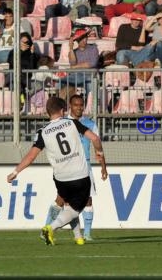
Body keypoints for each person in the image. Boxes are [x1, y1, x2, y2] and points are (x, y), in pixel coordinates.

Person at [7, 97, 108, 246]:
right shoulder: (72, 123)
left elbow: (31, 156)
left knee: (68, 204)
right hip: (80, 174)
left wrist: (15, 172)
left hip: (61, 179)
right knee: (76, 208)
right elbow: (95, 139)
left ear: (48, 112)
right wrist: (99, 153)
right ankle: (50, 228)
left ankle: (78, 237)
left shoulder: (43, 132)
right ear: (62, 111)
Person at [44, 95, 100, 241]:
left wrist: (102, 163)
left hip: (84, 166)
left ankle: (84, 235)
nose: (79, 107)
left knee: (86, 201)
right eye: (76, 105)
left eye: (81, 105)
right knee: (62, 201)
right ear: (69, 106)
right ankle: (48, 227)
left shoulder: (89, 123)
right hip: (68, 167)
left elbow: (95, 141)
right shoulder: (66, 123)